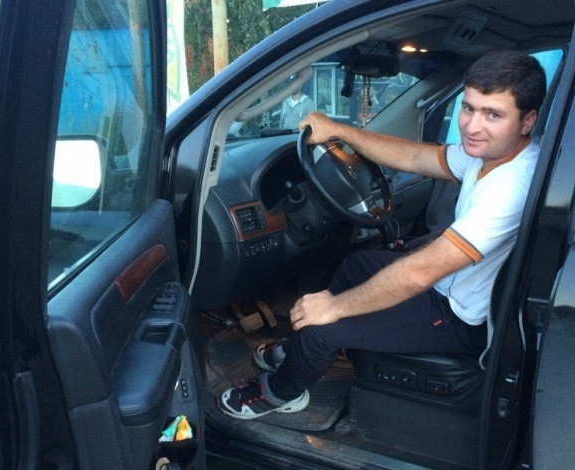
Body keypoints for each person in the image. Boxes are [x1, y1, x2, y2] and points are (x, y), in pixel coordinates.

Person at [218, 50, 546, 419]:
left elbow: (419, 273)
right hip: (450, 290)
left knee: (324, 327)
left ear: (527, 120)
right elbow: (415, 158)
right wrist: (341, 131)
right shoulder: (490, 153)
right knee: (356, 265)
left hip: (461, 320)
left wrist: (333, 308)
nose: (472, 126)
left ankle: (281, 392)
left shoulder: (512, 186)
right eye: (468, 108)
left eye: (493, 115)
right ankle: (298, 353)